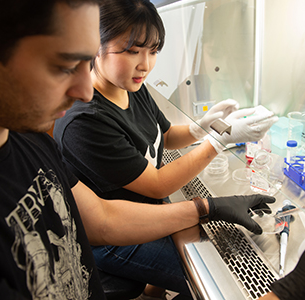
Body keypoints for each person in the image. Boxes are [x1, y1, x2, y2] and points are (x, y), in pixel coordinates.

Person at [0, 1, 277, 299]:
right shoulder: (78, 123)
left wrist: (206, 200)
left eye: (87, 61)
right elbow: (146, 192)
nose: (85, 92)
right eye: (64, 65)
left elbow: (100, 219)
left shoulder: (31, 140)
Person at [53, 0, 278, 298]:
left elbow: (167, 135)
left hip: (148, 214)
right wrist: (219, 140)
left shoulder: (130, 86)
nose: (145, 64)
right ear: (96, 45)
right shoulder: (86, 121)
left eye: (153, 50)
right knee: (211, 272)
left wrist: (202, 128)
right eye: (132, 51)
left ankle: (152, 292)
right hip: (116, 238)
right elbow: (158, 186)